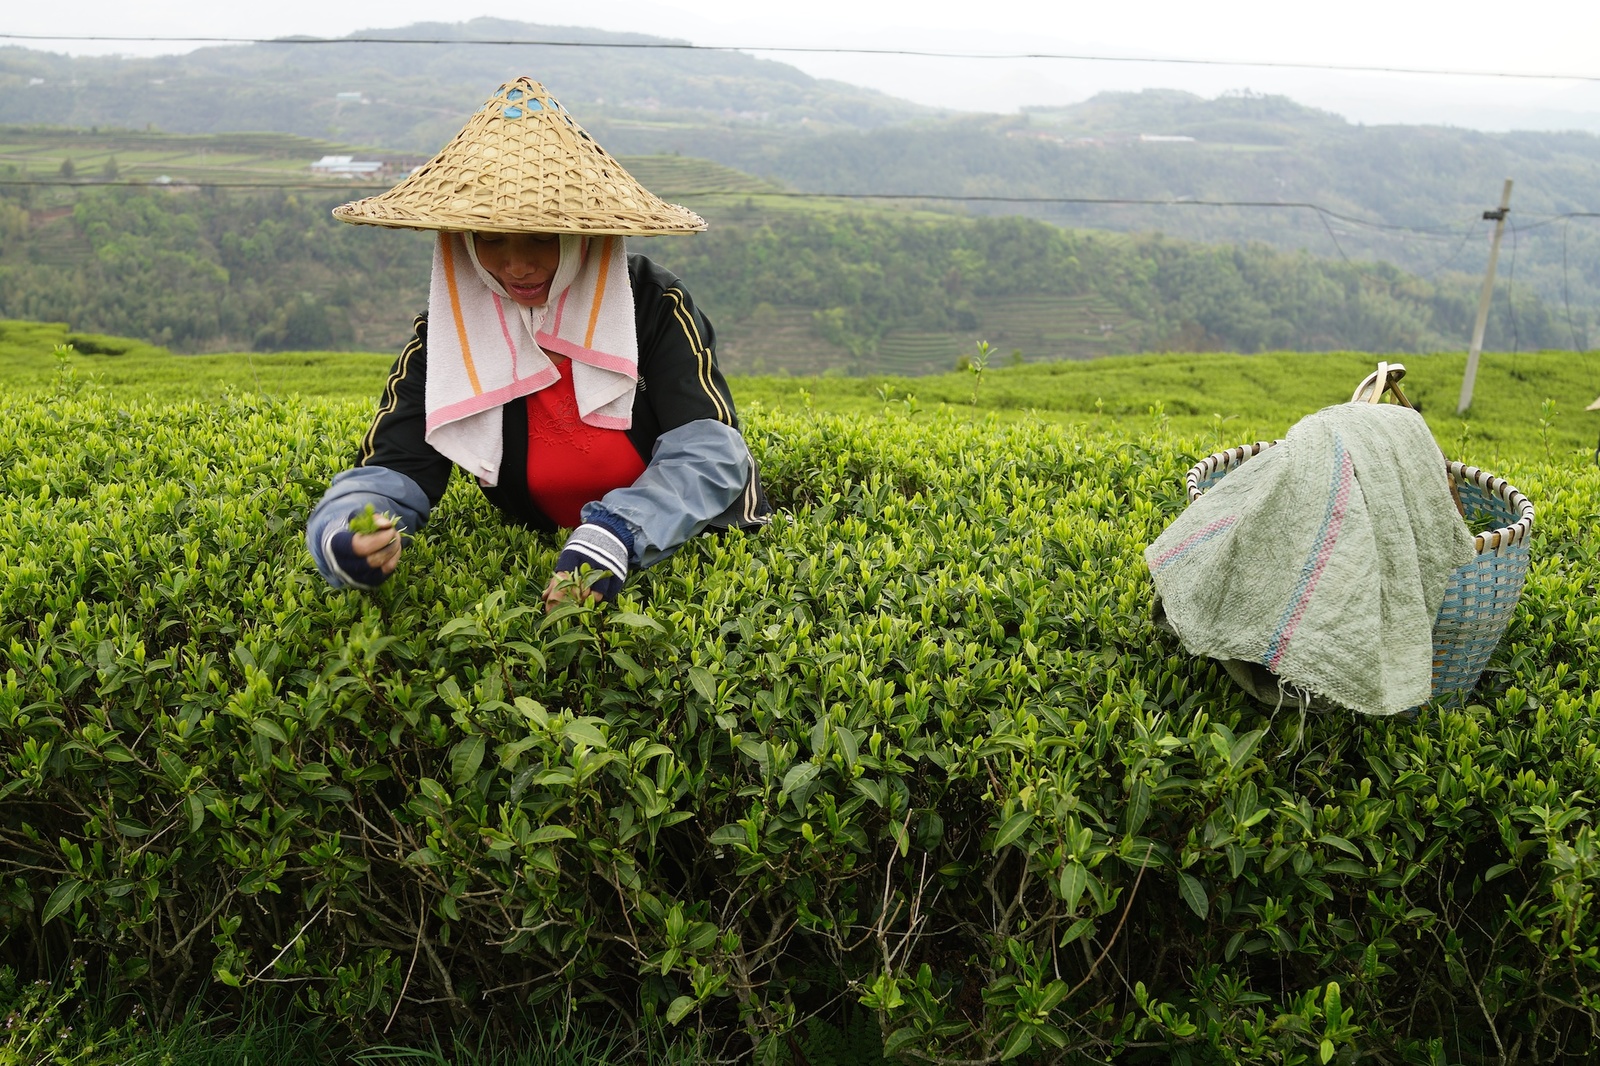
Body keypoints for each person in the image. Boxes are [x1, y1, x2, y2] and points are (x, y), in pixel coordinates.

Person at [305, 77, 768, 608]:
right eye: (492, 239)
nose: (517, 267)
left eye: (544, 239)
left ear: (584, 237)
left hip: (695, 546)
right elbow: (394, 466)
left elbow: (712, 452)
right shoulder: (451, 332)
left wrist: (615, 533)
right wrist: (346, 533)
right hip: (551, 551)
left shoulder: (653, 303)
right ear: (463, 243)